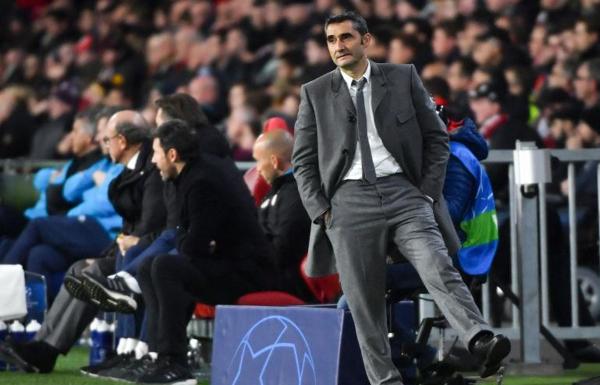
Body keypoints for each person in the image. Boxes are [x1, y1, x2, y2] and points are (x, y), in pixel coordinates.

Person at [292, 12, 510, 385]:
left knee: (437, 263)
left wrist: (425, 192)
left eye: (346, 37)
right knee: (364, 305)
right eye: (331, 40)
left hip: (405, 193)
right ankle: (385, 380)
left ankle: (479, 338)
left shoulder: (403, 77)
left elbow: (438, 139)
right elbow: (302, 160)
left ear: (366, 40)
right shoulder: (314, 92)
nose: (339, 46)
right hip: (347, 202)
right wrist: (323, 211)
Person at [0, 110, 166, 373]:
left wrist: (110, 254)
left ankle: (44, 347)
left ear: (122, 141)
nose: (104, 144)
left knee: (89, 271)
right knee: (78, 268)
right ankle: (43, 347)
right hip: (125, 248)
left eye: (107, 139)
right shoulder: (130, 170)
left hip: (142, 254)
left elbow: (145, 228)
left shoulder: (149, 172)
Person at [135, 119, 277, 385]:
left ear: (172, 154)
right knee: (149, 266)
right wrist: (190, 240)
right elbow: (189, 239)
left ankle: (175, 363)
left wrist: (191, 241)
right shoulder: (189, 176)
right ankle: (159, 354)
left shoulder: (202, 181)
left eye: (155, 153)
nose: (153, 161)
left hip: (248, 272)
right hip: (224, 262)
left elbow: (193, 245)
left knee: (166, 267)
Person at [253, 130, 313, 301]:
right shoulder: (274, 192)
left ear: (274, 161)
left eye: (258, 161)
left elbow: (284, 247)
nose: (256, 169)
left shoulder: (295, 195)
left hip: (287, 282)